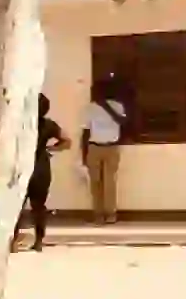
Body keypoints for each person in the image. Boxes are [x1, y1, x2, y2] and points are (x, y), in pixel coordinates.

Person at [16, 93, 70, 251]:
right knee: (39, 206)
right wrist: (50, 149)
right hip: (41, 167)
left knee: (17, 206)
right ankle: (39, 241)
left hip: (22, 166)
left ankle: (13, 240)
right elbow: (67, 141)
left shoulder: (21, 124)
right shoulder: (49, 125)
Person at [81, 79, 128, 224]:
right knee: (95, 182)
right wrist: (84, 152)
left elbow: (122, 122)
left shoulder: (118, 106)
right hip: (94, 146)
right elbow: (86, 131)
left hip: (112, 147)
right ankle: (98, 214)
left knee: (109, 182)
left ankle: (110, 213)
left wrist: (106, 106)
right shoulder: (90, 108)